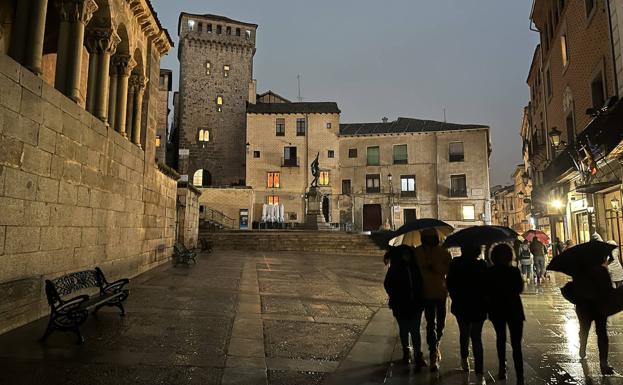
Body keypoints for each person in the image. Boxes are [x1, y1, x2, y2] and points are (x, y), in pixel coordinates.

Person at [414, 229, 452, 372]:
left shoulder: (443, 252)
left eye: (431, 238)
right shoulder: (417, 252)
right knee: (431, 323)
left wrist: (435, 266)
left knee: (441, 323)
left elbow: (449, 269)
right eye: (426, 238)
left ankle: (436, 344)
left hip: (440, 292)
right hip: (425, 293)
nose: (429, 240)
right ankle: (433, 351)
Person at [447, 243, 488, 375]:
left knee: (464, 333)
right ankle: (479, 368)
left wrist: (455, 297)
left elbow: (450, 283)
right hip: (478, 305)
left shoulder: (456, 263)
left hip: (461, 304)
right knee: (476, 336)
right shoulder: (481, 265)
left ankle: (464, 359)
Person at [487, 244, 525, 384]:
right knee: (516, 343)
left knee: (500, 338)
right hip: (514, 308)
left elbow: (487, 290)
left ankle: (502, 367)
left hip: (497, 308)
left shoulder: (490, 272)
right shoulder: (514, 271)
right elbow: (520, 288)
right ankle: (519, 373)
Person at [383, 245, 427, 368]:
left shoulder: (415, 268)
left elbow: (420, 283)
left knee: (415, 330)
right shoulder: (395, 269)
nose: (406, 256)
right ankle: (406, 351)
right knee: (404, 329)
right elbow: (388, 284)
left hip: (415, 304)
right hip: (401, 305)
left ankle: (418, 354)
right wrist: (396, 296)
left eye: (408, 253)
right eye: (404, 254)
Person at [574, 252, 615, 374]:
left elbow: (576, 289)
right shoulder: (603, 272)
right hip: (599, 307)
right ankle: (603, 362)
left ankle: (582, 348)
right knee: (602, 333)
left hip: (584, 307)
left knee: (584, 329)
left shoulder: (580, 272)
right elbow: (608, 290)